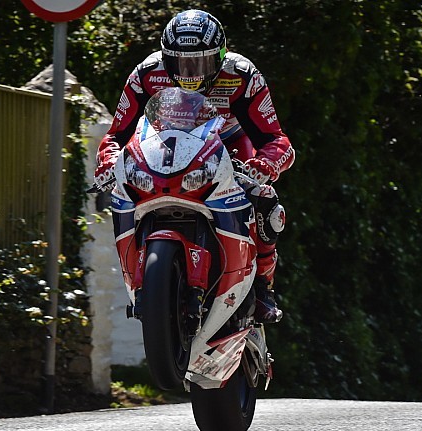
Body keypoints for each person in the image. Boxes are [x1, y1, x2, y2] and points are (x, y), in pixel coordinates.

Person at [94, 9, 295, 323]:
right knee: (122, 192)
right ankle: (141, 274)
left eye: (200, 62)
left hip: (228, 148)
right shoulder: (146, 74)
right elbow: (117, 134)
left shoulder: (242, 75)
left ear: (221, 56)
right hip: (162, 150)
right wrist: (107, 163)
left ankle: (263, 287)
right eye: (181, 62)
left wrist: (264, 165)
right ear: (165, 58)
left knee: (266, 201)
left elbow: (276, 138)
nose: (190, 73)